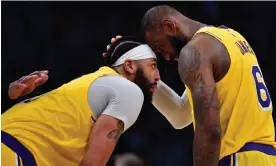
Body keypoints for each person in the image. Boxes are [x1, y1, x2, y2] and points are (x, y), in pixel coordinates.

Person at [3, 37, 192, 166]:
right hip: (16, 151)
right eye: (153, 66)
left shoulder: (94, 82)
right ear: (129, 65)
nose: (158, 76)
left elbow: (180, 116)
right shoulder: (129, 91)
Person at [140, 5, 276, 166]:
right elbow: (181, 115)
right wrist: (140, 75)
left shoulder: (193, 51)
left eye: (161, 47)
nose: (166, 57)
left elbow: (209, 132)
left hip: (237, 158)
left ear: (169, 26)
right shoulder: (230, 38)